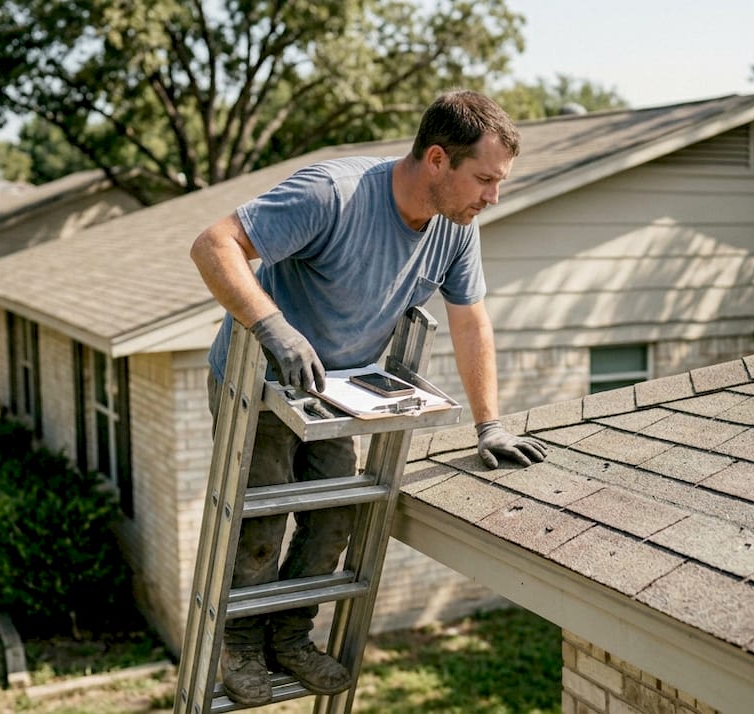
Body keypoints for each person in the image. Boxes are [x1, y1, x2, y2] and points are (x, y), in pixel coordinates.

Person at [189, 89, 548, 707]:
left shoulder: (455, 230)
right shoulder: (333, 194)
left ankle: (291, 638)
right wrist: (273, 329)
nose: (494, 197)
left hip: (335, 395)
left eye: (499, 182)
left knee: (333, 520)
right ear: (438, 159)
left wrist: (489, 424)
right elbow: (212, 245)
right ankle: (242, 645)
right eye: (485, 180)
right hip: (261, 383)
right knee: (263, 518)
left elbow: (470, 321)